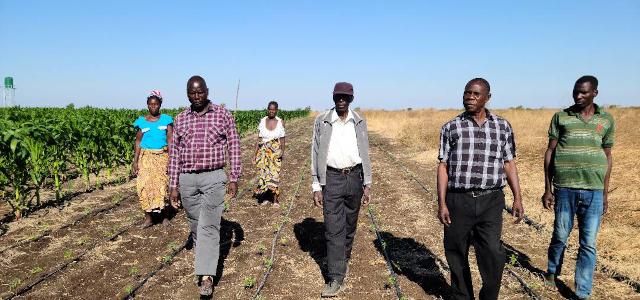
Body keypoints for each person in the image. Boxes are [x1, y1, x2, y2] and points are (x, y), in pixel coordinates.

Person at [437, 78, 524, 300]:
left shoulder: (502, 126)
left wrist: (517, 198)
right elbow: (443, 166)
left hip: (491, 200)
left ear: (487, 97)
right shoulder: (451, 127)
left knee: (493, 254)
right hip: (458, 200)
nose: (470, 98)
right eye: (467, 93)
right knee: (456, 254)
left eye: (476, 94)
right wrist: (442, 203)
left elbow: (509, 163)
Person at [167, 76, 242, 296]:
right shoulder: (180, 119)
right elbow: (175, 154)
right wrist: (173, 186)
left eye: (200, 92)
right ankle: (204, 261)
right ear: (187, 94)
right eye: (192, 93)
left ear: (207, 91)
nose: (197, 97)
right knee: (195, 225)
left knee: (209, 226)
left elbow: (234, 146)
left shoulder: (222, 114)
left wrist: (234, 177)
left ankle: (207, 277)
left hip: (213, 177)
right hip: (187, 178)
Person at [542, 75, 614, 300]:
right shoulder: (561, 117)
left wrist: (604, 192)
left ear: (595, 93)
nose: (578, 96)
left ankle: (583, 292)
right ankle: (553, 271)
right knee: (560, 235)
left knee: (588, 244)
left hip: (593, 190)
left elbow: (607, 155)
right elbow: (550, 152)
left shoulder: (606, 119)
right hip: (565, 188)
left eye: (583, 92)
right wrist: (547, 188)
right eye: (576, 92)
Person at [311, 82, 372, 298]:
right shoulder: (323, 120)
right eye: (338, 96)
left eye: (345, 97)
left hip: (354, 177)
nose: (341, 100)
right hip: (332, 178)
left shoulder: (359, 121)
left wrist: (367, 183)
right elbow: (315, 152)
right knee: (333, 229)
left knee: (349, 226)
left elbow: (365, 151)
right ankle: (335, 277)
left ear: (351, 99)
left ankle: (342, 261)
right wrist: (316, 184)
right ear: (334, 97)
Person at [132, 90, 173, 229]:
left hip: (162, 157)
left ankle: (165, 216)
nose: (153, 106)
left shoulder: (166, 120)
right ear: (147, 105)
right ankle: (148, 218)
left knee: (163, 186)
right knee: (143, 186)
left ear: (160, 104)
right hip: (146, 158)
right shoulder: (141, 122)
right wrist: (135, 161)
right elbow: (138, 142)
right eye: (150, 104)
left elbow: (170, 140)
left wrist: (171, 159)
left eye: (155, 104)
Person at [254, 101, 286, 206]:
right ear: (267, 109)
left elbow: (282, 139)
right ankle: (264, 197)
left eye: (273, 109)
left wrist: (282, 151)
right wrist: (255, 154)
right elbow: (259, 139)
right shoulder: (263, 121)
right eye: (269, 109)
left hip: (275, 152)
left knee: (275, 175)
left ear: (276, 110)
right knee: (263, 175)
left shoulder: (281, 122)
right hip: (263, 151)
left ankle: (275, 199)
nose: (271, 111)